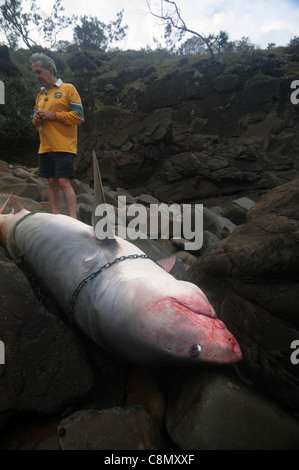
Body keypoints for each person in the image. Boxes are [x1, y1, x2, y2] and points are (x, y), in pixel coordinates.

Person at [30, 52, 84, 219]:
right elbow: (33, 120)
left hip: (64, 145)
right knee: (52, 182)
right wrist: (37, 118)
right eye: (35, 73)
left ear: (50, 70)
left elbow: (79, 116)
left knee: (63, 182)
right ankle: (56, 218)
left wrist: (53, 116)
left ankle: (73, 219)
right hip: (45, 146)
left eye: (39, 72)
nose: (37, 76)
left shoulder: (68, 89)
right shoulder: (40, 95)